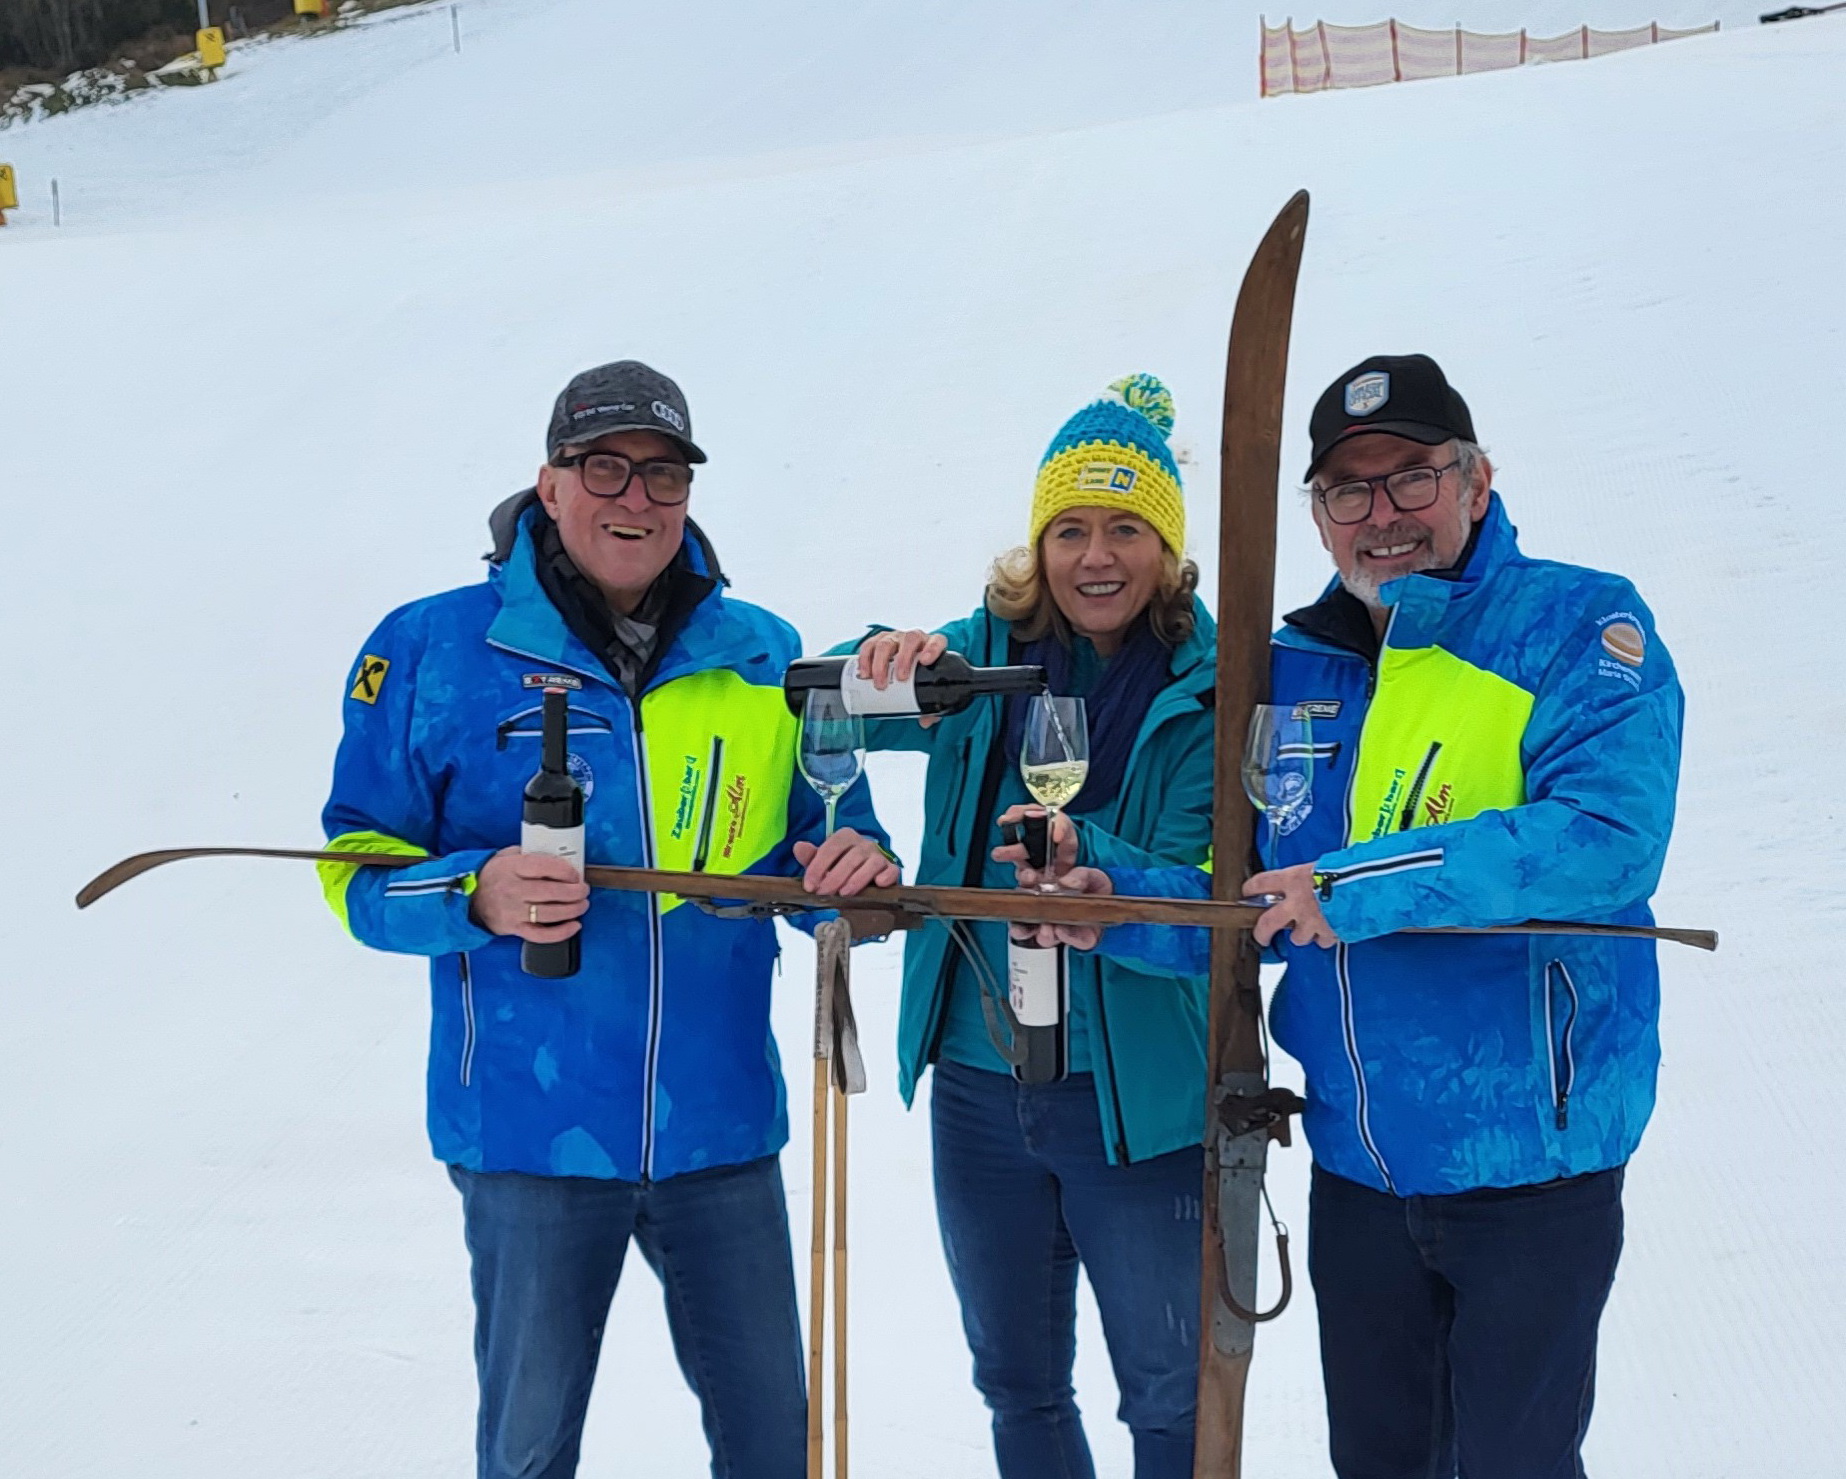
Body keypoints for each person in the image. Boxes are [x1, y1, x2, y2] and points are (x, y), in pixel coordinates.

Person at [1030, 354, 1684, 1479]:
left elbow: (1600, 839)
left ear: (1476, 481)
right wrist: (1121, 901)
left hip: (1530, 1162)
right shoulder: (1296, 669)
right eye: (1346, 491)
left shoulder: (1579, 626)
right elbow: (1252, 900)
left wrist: (1353, 887)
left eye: (1410, 479)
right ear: (1320, 516)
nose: (1380, 515)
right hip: (1361, 1174)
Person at [318, 360, 897, 1479]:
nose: (636, 500)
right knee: (531, 1451)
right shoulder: (437, 650)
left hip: (720, 1128)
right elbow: (354, 864)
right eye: (606, 469)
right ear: (549, 484)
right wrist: (469, 892)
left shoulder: (764, 654)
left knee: (774, 1444)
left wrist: (856, 877)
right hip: (531, 1134)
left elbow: (834, 849)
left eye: (664, 476)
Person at [843, 375, 1216, 1479]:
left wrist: (1100, 869)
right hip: (979, 1081)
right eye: (1068, 530)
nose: (1095, 557)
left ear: (1166, 546)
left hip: (1136, 1095)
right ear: (1036, 543)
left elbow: (1216, 901)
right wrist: (880, 656)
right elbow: (813, 704)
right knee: (1016, 1383)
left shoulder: (1211, 683)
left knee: (1170, 1395)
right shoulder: (979, 655)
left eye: (1124, 529)